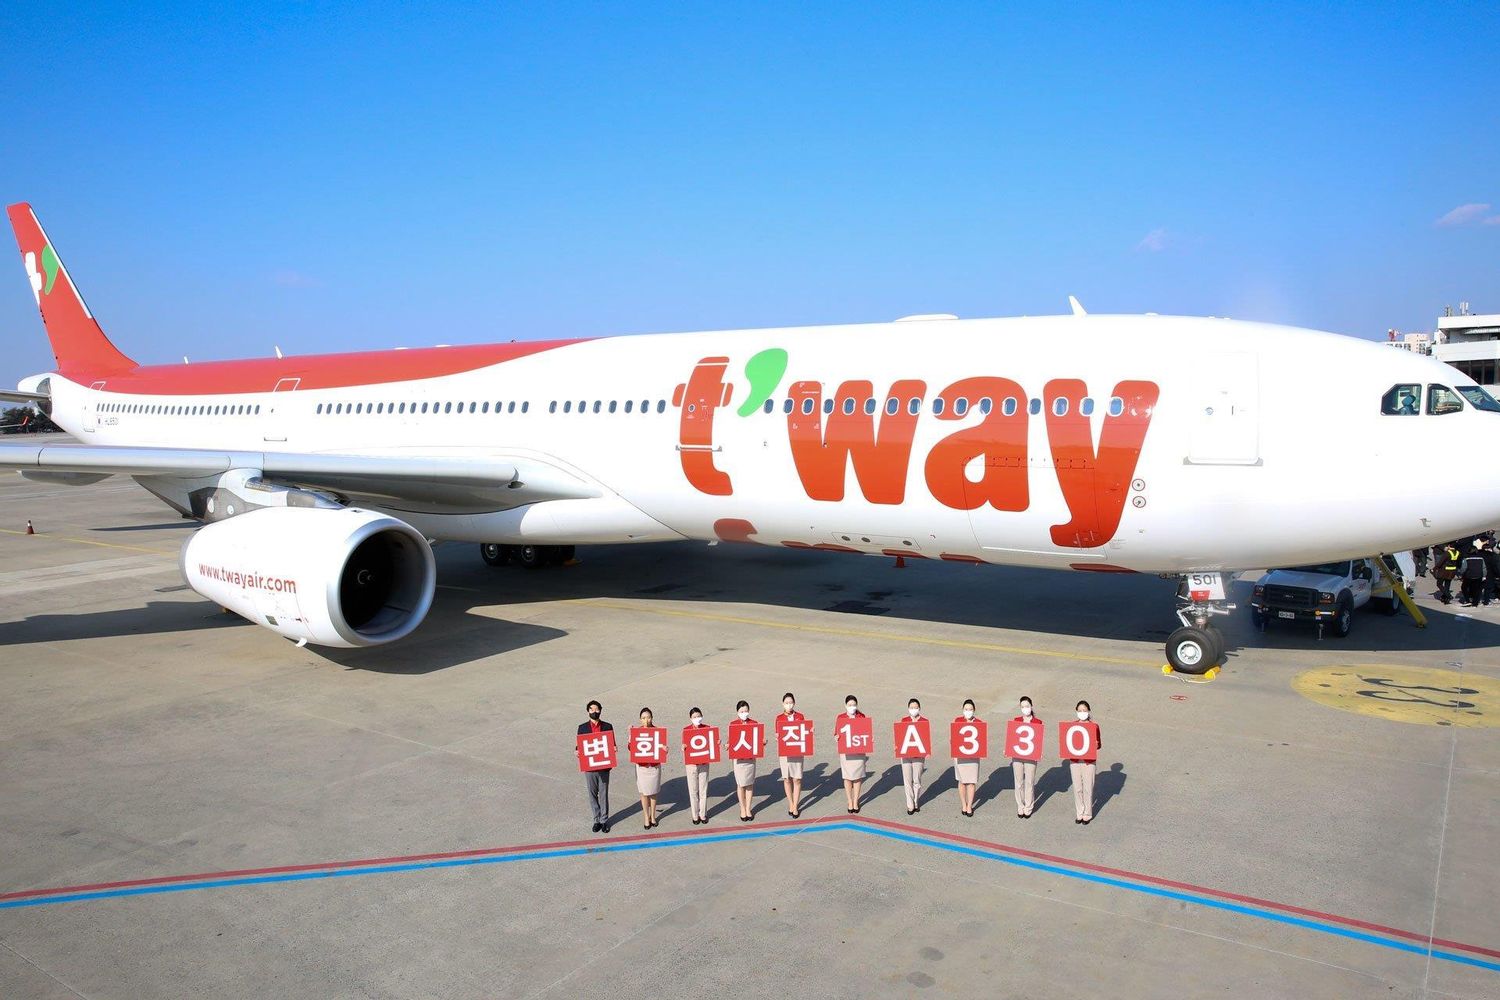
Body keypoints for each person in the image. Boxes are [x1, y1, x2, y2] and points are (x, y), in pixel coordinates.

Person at [578, 699, 613, 833]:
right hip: (590, 766)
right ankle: (596, 819)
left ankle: (604, 820)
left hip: (603, 766)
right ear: (588, 711)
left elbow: (612, 743)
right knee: (592, 793)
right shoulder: (582, 728)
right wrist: (577, 751)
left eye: (597, 709)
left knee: (603, 794)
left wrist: (614, 749)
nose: (594, 711)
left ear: (600, 711)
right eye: (591, 709)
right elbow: (579, 745)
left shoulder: (607, 726)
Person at [1068, 700, 1100, 825]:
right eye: (1080, 710)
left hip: (1088, 761)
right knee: (1077, 788)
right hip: (1075, 761)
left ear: (1089, 711)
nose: (1082, 712)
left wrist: (1096, 744)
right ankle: (1079, 812)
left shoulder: (1094, 726)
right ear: (1076, 711)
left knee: (1088, 788)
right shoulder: (1072, 726)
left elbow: (1099, 744)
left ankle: (1087, 813)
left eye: (1084, 710)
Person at [778, 692, 807, 818]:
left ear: (794, 703)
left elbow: (805, 731)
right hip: (785, 753)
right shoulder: (779, 718)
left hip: (797, 752)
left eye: (790, 703)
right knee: (786, 778)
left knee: (797, 779)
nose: (789, 705)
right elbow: (778, 733)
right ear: (783, 704)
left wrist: (810, 731)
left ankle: (795, 804)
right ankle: (791, 803)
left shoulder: (800, 717)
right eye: (786, 703)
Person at [1011, 696, 1040, 819]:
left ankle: (1028, 806)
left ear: (1031, 707)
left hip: (1031, 756)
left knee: (1029, 782)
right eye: (1022, 707)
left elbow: (1038, 739)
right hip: (1017, 755)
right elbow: (1012, 737)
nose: (1025, 709)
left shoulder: (1037, 722)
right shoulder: (1016, 720)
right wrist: (1008, 749)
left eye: (1027, 706)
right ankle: (1020, 806)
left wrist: (1039, 751)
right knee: (1018, 782)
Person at [839, 694, 868, 814]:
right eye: (850, 705)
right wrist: (836, 737)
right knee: (847, 777)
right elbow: (837, 732)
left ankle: (856, 801)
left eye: (854, 705)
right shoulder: (841, 717)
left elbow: (866, 731)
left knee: (857, 777)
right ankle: (849, 801)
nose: (852, 707)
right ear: (845, 705)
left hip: (858, 751)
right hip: (846, 751)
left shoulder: (861, 717)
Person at [634, 706, 661, 830]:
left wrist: (664, 749)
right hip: (642, 767)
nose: (646, 720)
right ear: (640, 719)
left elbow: (662, 747)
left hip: (654, 767)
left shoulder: (657, 731)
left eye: (648, 717)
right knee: (644, 793)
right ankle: (646, 816)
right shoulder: (637, 732)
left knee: (653, 792)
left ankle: (653, 816)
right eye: (644, 718)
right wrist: (630, 737)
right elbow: (631, 748)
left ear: (652, 718)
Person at [953, 699, 981, 818]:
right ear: (962, 710)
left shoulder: (979, 723)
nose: (968, 711)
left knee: (971, 782)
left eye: (970, 709)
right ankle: (963, 804)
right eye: (966, 709)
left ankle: (969, 805)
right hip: (960, 756)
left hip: (973, 757)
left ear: (974, 710)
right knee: (962, 781)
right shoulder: (958, 721)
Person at [898, 698, 926, 815]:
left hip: (918, 755)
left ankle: (916, 802)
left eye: (915, 707)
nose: (913, 709)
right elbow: (900, 735)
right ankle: (910, 805)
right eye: (911, 707)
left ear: (919, 708)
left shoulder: (924, 721)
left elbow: (926, 738)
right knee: (907, 780)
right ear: (908, 708)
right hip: (906, 754)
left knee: (917, 780)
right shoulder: (904, 720)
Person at [731, 700, 758, 822]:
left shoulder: (754, 723)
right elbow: (731, 741)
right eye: (741, 711)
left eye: (746, 711)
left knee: (749, 784)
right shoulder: (733, 724)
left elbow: (757, 739)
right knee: (741, 784)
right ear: (737, 712)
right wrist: (728, 745)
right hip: (739, 760)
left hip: (750, 759)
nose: (744, 713)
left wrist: (762, 742)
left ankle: (748, 808)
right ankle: (742, 808)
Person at [684, 707, 711, 825]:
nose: (697, 718)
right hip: (691, 765)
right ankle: (695, 815)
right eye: (694, 717)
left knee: (703, 790)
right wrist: (683, 747)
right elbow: (684, 745)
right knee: (693, 791)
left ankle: (703, 814)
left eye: (699, 716)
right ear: (690, 718)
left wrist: (716, 743)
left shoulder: (707, 729)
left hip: (704, 764)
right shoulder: (686, 730)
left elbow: (711, 744)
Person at [1460, 540, 1487, 607]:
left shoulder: (1466, 559)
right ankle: (1475, 603)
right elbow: (1484, 568)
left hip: (1469, 576)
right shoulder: (1481, 558)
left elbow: (1463, 568)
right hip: (1478, 576)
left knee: (1464, 587)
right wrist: (1484, 575)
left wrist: (1462, 574)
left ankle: (1468, 600)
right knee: (1477, 589)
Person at [1484, 539, 1500, 606]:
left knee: (1489, 587)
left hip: (1489, 573)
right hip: (1493, 573)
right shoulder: (1495, 556)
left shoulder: (1493, 555)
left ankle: (1488, 600)